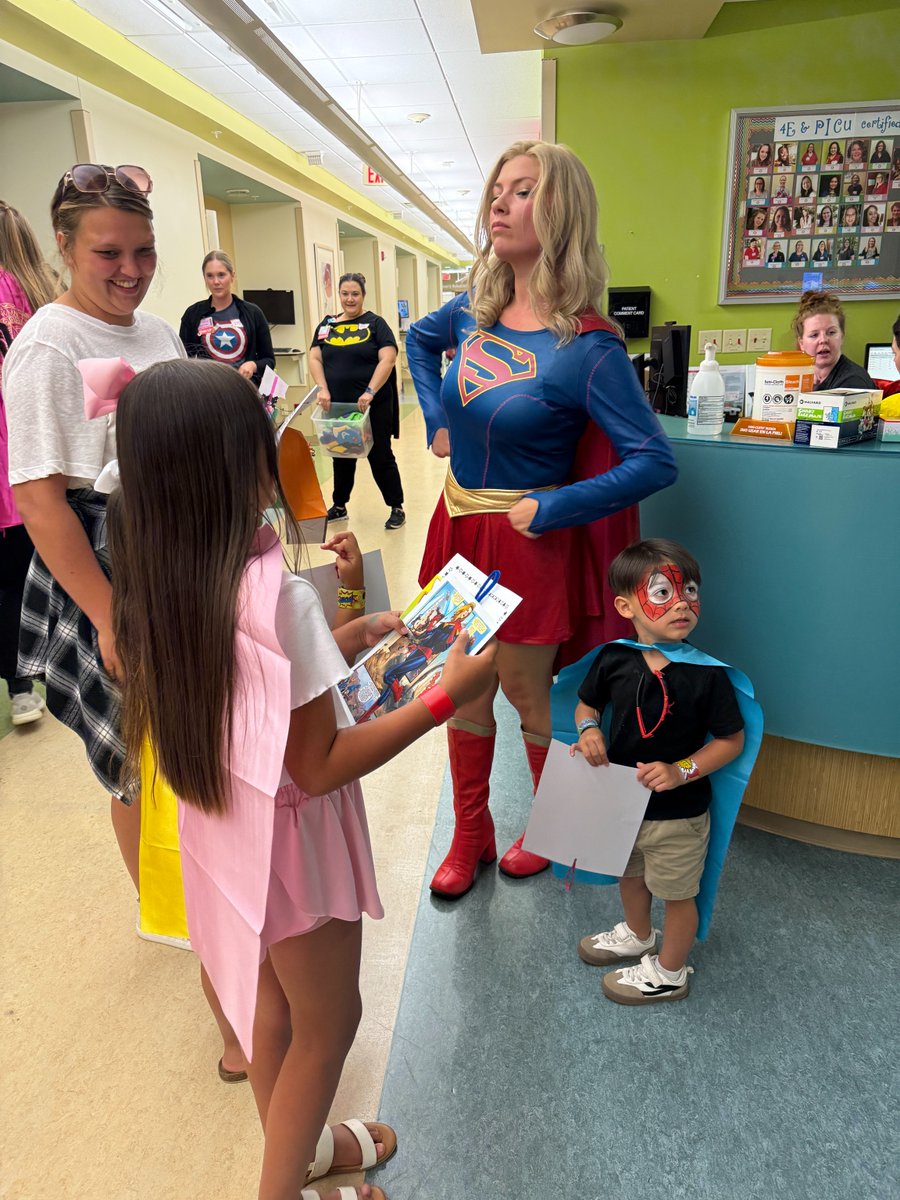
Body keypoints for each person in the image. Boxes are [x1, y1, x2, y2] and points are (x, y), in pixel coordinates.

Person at [107, 358, 498, 1200]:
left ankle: (305, 1151)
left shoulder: (156, 574)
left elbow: (264, 701)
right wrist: (443, 697)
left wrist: (345, 640)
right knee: (330, 1023)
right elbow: (319, 766)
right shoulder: (274, 594)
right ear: (239, 469)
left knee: (269, 1015)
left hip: (228, 829)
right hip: (294, 843)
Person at [405, 140, 677, 898]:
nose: (498, 202)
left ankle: (547, 829)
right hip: (458, 525)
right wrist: (437, 417)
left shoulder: (586, 347)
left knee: (531, 697)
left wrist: (556, 505)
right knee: (460, 687)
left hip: (526, 545)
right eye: (497, 188)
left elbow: (653, 459)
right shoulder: (472, 311)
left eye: (521, 191)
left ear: (559, 212)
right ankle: (471, 835)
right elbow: (420, 345)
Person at [3, 164, 184, 887]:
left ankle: (204, 878)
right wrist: (108, 618)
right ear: (65, 247)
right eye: (108, 253)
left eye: (143, 251)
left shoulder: (160, 334)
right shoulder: (50, 343)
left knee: (181, 734)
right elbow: (42, 502)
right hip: (105, 567)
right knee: (135, 755)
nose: (131, 270)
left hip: (173, 551)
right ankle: (163, 904)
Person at [573, 539, 744, 1005]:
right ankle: (637, 933)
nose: (683, 604)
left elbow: (731, 741)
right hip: (625, 804)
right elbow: (586, 705)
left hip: (679, 816)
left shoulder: (709, 675)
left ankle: (670, 971)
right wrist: (589, 729)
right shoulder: (613, 658)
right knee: (629, 874)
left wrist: (682, 770)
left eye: (689, 590)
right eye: (663, 592)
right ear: (626, 605)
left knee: (677, 893)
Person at [0, 202, 58, 725]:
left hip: (11, 465)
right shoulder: (50, 294)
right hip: (47, 457)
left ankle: (22, 681)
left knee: (9, 577)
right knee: (42, 564)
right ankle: (44, 666)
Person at [308, 272, 406, 531]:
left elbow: (388, 358)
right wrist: (323, 388)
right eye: (345, 294)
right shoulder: (327, 325)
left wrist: (370, 391)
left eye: (355, 294)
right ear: (339, 295)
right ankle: (339, 505)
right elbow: (315, 358)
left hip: (372, 404)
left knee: (380, 455)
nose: (350, 299)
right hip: (337, 404)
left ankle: (396, 506)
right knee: (340, 455)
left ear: (363, 296)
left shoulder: (376, 324)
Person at [178, 250, 274, 389]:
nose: (216, 282)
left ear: (232, 276)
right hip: (208, 393)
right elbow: (184, 361)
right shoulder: (193, 314)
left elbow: (269, 360)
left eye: (221, 275)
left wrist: (252, 365)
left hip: (245, 391)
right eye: (210, 276)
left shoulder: (253, 313)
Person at [792, 289, 876, 389]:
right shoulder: (798, 376)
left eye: (831, 333)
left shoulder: (854, 381)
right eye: (814, 335)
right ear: (801, 344)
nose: (823, 340)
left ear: (842, 336)